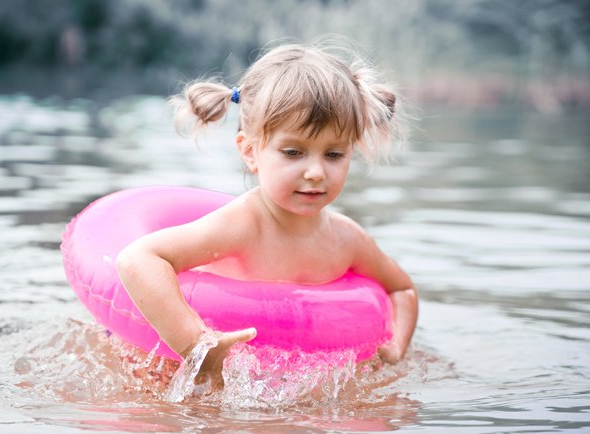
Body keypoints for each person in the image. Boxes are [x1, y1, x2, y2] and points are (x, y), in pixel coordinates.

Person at [116, 40, 418, 390]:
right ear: (250, 152)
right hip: (201, 373)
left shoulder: (346, 239)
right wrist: (196, 344)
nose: (317, 171)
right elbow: (137, 258)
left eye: (334, 154)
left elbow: (401, 288)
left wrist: (397, 346)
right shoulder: (242, 226)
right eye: (293, 152)